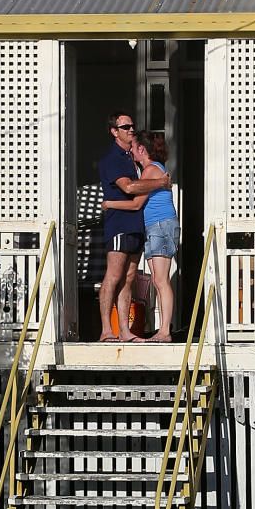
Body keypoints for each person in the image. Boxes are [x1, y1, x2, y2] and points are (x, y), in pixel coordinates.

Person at [97, 113, 169, 343]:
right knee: (114, 275)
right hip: (119, 224)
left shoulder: (131, 158)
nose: (130, 130)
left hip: (136, 225)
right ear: (114, 131)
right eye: (125, 126)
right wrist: (160, 183)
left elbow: (138, 196)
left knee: (129, 278)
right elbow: (128, 187)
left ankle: (125, 331)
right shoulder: (112, 157)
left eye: (132, 126)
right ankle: (107, 330)